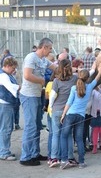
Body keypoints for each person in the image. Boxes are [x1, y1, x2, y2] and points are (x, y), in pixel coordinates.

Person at [19, 37, 57, 166]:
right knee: (30, 126)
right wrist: (42, 81)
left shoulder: (43, 60)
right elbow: (27, 75)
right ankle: (26, 157)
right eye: (50, 48)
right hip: (28, 96)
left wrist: (73, 70)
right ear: (44, 47)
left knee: (37, 126)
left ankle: (35, 153)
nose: (50, 51)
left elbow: (56, 68)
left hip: (37, 95)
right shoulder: (31, 57)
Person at [59, 63, 101, 169]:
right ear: (87, 78)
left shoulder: (74, 88)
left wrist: (63, 114)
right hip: (81, 116)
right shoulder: (90, 87)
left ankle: (64, 160)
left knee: (64, 136)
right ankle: (81, 162)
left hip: (70, 114)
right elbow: (97, 79)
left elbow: (69, 103)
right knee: (79, 139)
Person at [48, 59, 78, 168]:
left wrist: (51, 107)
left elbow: (52, 96)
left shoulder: (56, 81)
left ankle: (54, 158)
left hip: (56, 109)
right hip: (69, 111)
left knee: (55, 134)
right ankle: (70, 157)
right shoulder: (75, 78)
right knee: (68, 135)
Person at [0, 57, 20, 161]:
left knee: (4, 128)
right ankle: (4, 152)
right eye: (13, 68)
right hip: (5, 104)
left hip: (4, 103)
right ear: (7, 66)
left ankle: (3, 150)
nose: (14, 70)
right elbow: (11, 87)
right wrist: (20, 87)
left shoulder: (5, 74)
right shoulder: (3, 75)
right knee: (6, 128)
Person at [44, 68, 58, 165]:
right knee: (56, 134)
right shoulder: (58, 83)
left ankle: (50, 155)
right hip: (55, 110)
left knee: (52, 134)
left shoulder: (49, 84)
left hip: (50, 110)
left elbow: (46, 97)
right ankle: (55, 155)